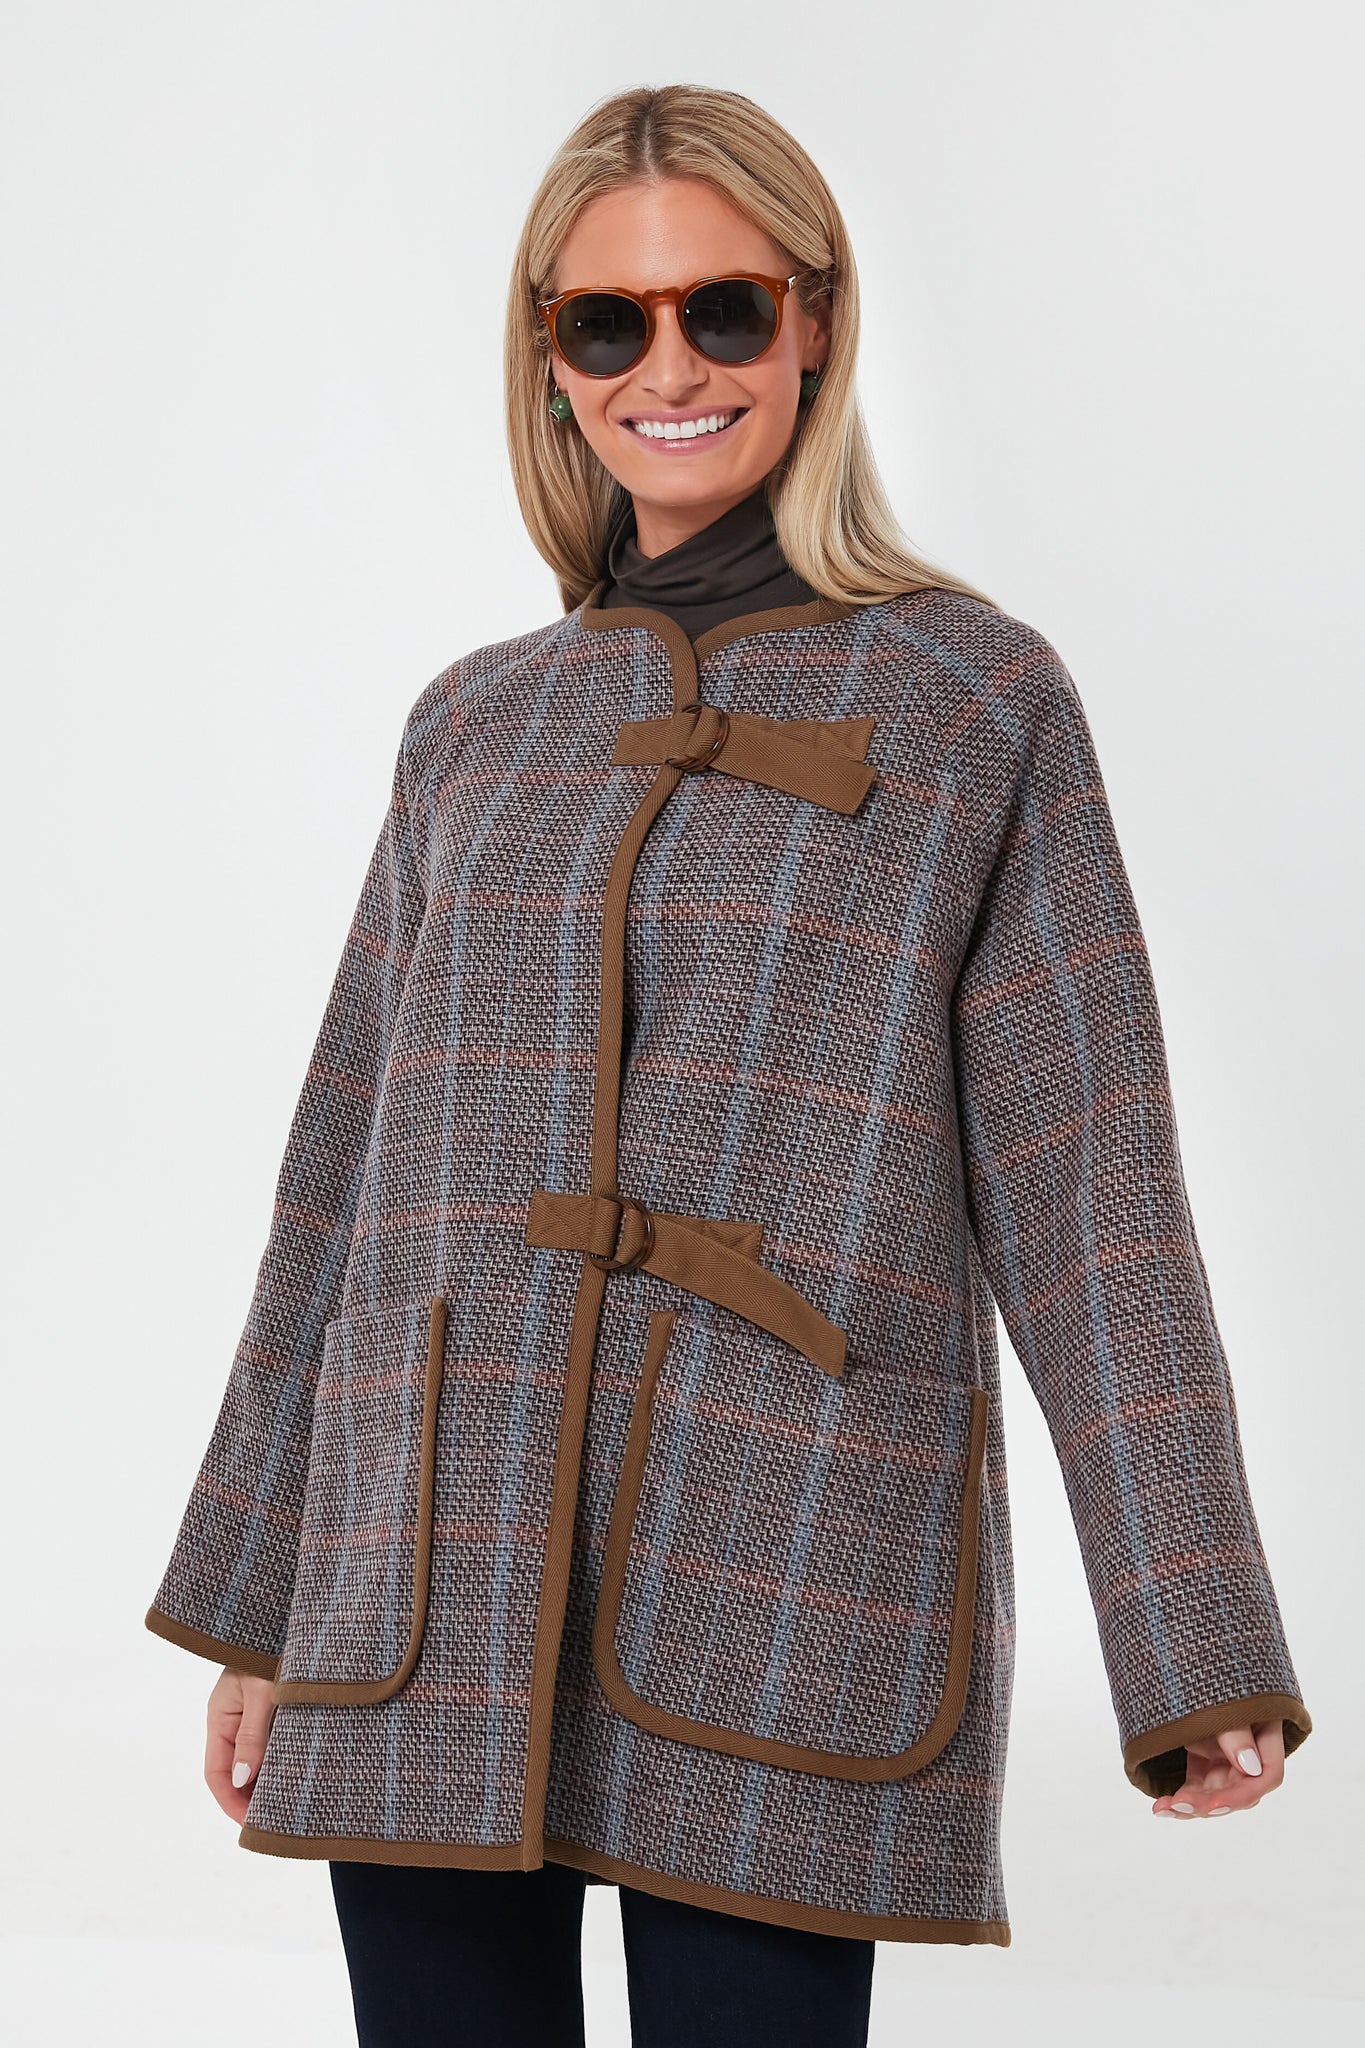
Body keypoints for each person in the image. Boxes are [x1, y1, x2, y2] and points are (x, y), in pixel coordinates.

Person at [143, 83, 1312, 2047]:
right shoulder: (470, 726)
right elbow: (340, 1180)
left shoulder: (969, 701)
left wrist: (1190, 1636)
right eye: (608, 321)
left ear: (816, 323)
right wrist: (257, 1604)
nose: (666, 368)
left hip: (778, 1555)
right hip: (424, 1572)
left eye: (723, 310)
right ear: (551, 358)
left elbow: (1090, 1192)